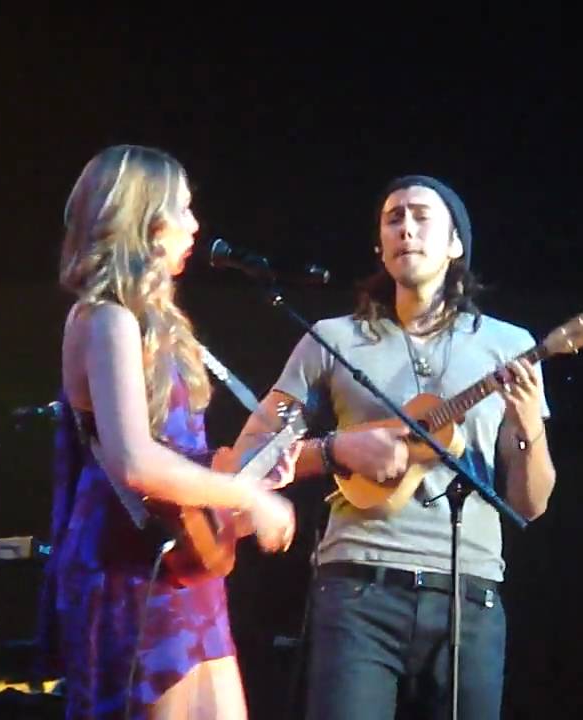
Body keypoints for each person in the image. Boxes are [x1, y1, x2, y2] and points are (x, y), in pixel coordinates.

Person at [231, 174, 557, 719]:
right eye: (393, 218)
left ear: (455, 245)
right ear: (380, 246)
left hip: (468, 598)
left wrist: (529, 424)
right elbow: (253, 455)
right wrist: (336, 449)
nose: (406, 228)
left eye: (422, 217)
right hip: (356, 590)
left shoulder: (509, 346)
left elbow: (531, 503)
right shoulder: (333, 339)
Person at [37, 144, 300, 720]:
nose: (195, 225)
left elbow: (178, 466)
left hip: (179, 565)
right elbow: (135, 461)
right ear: (144, 218)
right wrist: (248, 496)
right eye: (182, 208)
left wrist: (246, 483)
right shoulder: (104, 318)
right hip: (128, 566)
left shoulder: (160, 326)